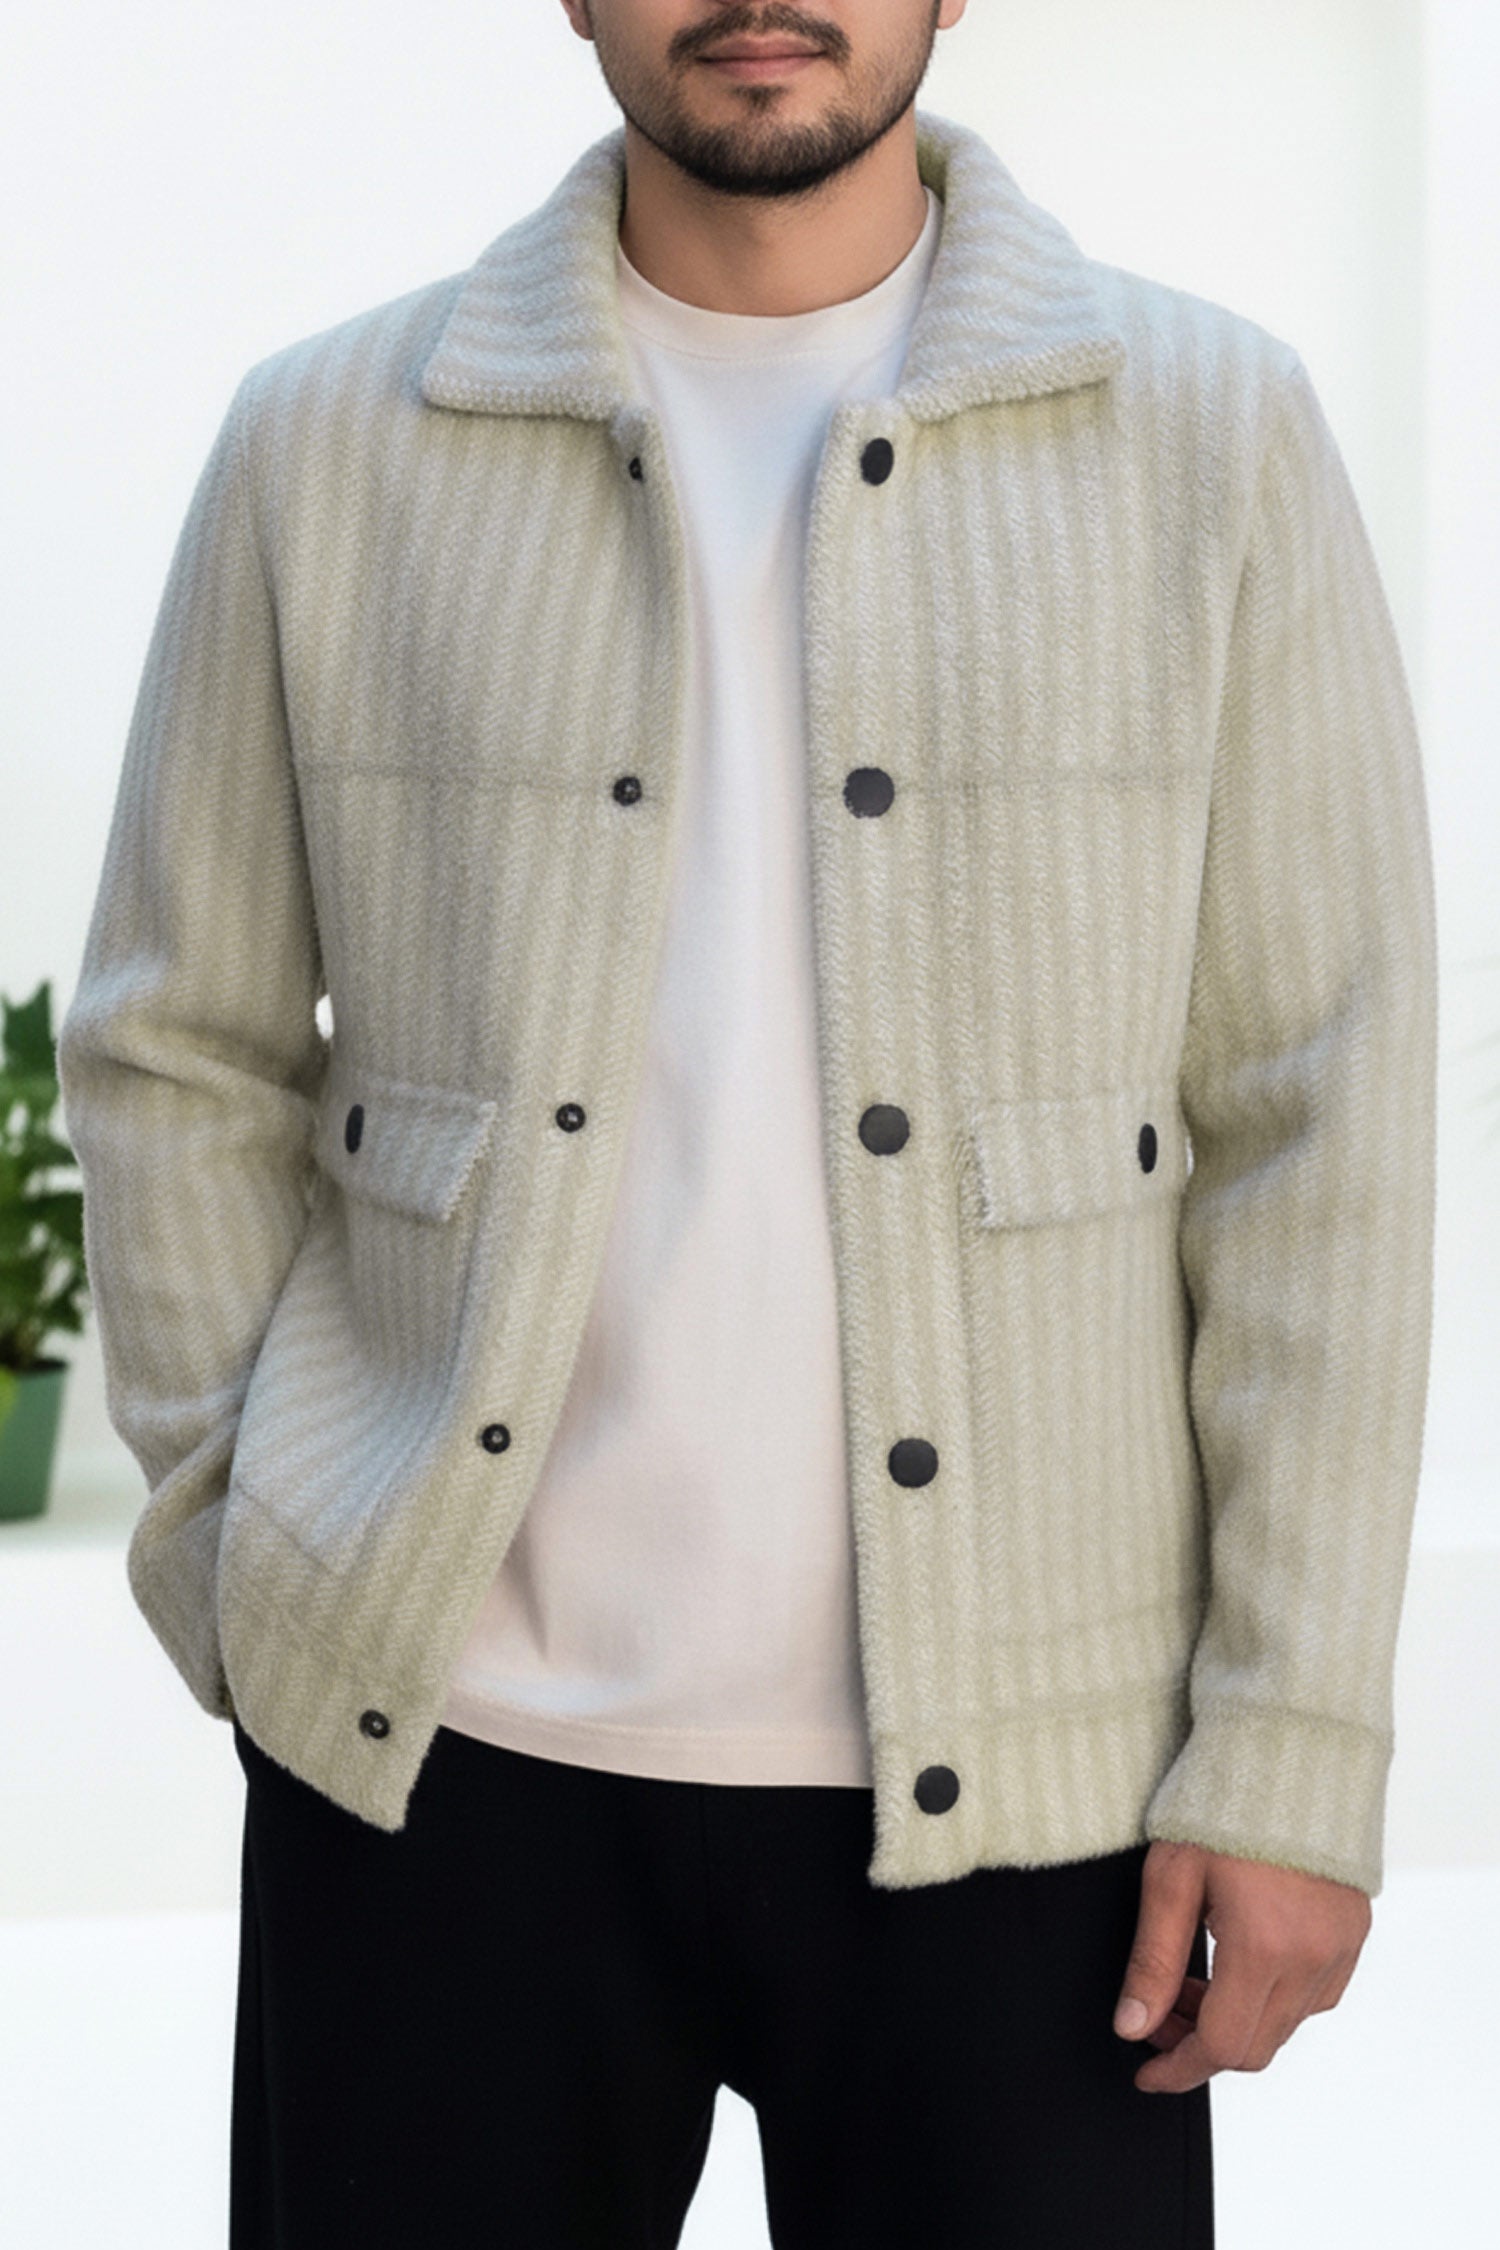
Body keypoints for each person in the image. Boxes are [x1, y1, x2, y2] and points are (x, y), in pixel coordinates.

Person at [57, 4, 1439, 2244]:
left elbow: (1322, 1122)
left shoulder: (1215, 433)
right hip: (443, 1772)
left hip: (1036, 1793)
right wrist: (240, 1557)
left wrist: (1293, 1743)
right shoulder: (323, 444)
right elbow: (175, 1042)